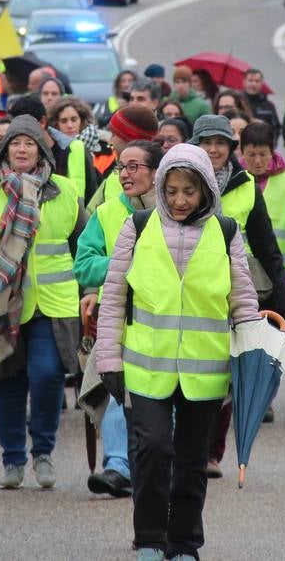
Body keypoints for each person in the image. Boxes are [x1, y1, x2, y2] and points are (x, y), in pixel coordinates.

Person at [95, 145, 262, 561]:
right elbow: (114, 298)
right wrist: (108, 359)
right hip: (145, 366)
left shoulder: (225, 232)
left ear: (206, 191)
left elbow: (242, 300)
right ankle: (150, 539)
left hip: (205, 372)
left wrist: (254, 359)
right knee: (153, 450)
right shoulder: (137, 226)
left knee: (191, 462)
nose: (179, 200)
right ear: (160, 188)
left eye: (189, 191)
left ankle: (185, 543)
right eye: (170, 191)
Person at [0, 116, 87, 491]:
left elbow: (84, 245)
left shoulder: (66, 191)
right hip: (3, 302)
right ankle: (13, 458)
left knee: (47, 375)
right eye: (14, 143)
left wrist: (91, 291)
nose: (22, 150)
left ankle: (42, 450)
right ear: (4, 149)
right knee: (8, 381)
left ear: (43, 150)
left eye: (30, 144)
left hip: (52, 303)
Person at [189, 114, 285, 474]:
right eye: (206, 142)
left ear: (231, 149)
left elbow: (266, 244)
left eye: (220, 143)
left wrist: (282, 293)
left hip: (233, 292)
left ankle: (211, 453)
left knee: (227, 373)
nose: (214, 149)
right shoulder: (181, 180)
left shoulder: (246, 183)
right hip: (188, 291)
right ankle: (184, 446)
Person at [73, 138, 162, 499]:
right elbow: (83, 266)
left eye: (134, 166)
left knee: (157, 398)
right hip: (118, 321)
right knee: (114, 389)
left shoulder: (174, 211)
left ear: (156, 173)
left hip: (164, 323)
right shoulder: (107, 213)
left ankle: (158, 466)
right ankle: (117, 468)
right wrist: (121, 264)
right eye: (120, 167)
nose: (125, 174)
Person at [240, 122, 285, 398]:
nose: (257, 161)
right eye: (251, 154)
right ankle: (244, 395)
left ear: (273, 152)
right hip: (241, 279)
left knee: (272, 343)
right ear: (242, 152)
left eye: (263, 154)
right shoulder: (233, 182)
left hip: (278, 280)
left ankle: (263, 398)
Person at [9, 94, 100, 205]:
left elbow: (91, 196)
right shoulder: (15, 152)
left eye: (25, 127)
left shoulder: (74, 149)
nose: (19, 133)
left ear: (42, 122)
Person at [87, 106, 160, 214]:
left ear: (130, 140)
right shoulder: (114, 176)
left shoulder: (159, 182)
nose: (110, 142)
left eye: (114, 135)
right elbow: (90, 215)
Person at [242, 69, 281, 140]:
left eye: (257, 81)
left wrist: (272, 144)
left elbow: (276, 128)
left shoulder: (269, 106)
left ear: (262, 83)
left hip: (263, 147)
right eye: (250, 80)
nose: (253, 84)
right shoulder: (237, 102)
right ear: (244, 82)